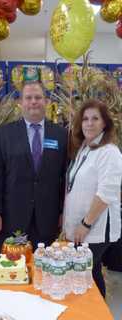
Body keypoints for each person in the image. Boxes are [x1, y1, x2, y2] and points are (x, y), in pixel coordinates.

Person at [0, 81, 68, 249]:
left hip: (48, 219)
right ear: (20, 103)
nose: (33, 101)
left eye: (38, 97)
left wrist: (62, 212)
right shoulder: (4, 134)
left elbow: (64, 177)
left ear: (47, 102)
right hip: (12, 218)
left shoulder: (61, 134)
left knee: (44, 270)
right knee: (13, 269)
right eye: (28, 98)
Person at [63, 99, 122, 297]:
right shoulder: (85, 149)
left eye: (95, 118)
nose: (89, 123)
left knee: (84, 274)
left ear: (104, 123)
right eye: (85, 119)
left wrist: (86, 224)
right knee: (92, 273)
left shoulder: (109, 152)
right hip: (81, 227)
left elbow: (106, 193)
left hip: (95, 229)